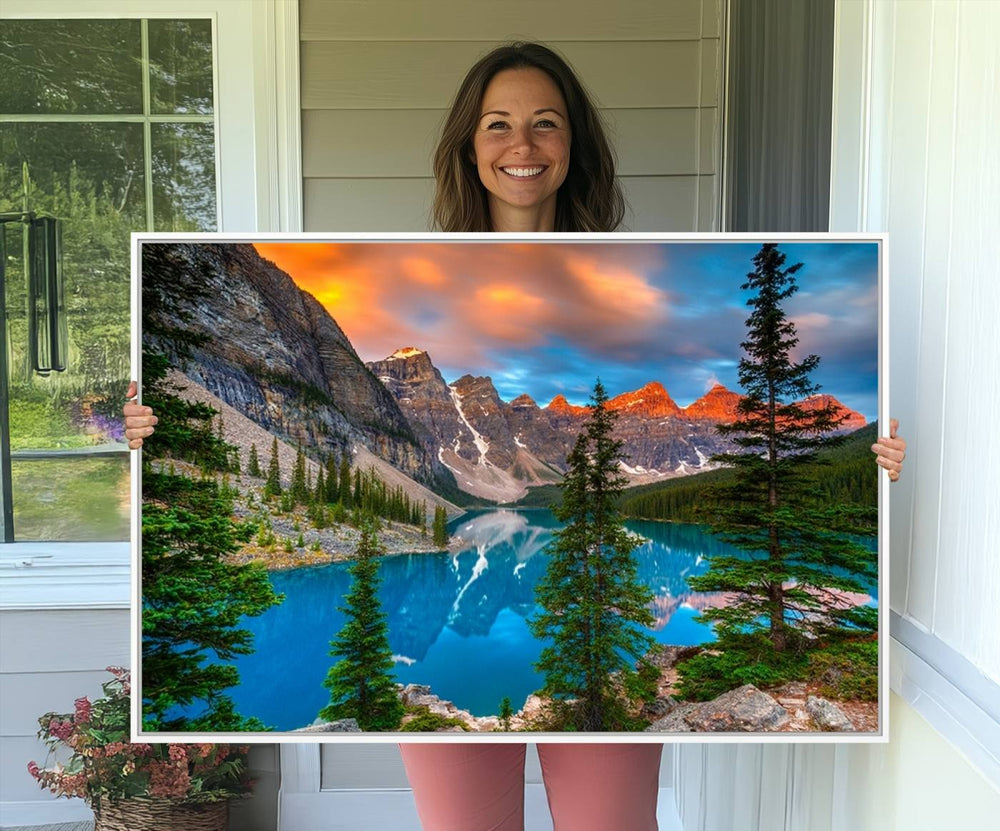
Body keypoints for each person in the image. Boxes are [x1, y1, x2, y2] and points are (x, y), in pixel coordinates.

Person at [124, 41, 907, 831]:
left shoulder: (651, 256)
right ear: (470, 145)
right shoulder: (412, 260)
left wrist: (868, 466)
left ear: (575, 146)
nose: (522, 145)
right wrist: (148, 433)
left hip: (605, 658)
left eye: (546, 124)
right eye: (498, 124)